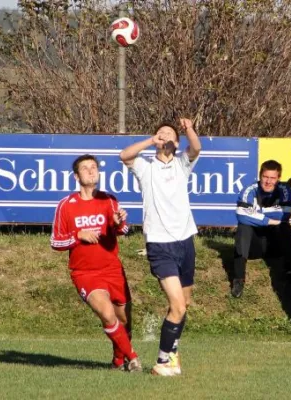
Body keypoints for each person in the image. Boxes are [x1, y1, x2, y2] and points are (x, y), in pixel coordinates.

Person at [120, 118, 201, 377]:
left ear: (176, 143)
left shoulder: (181, 163)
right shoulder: (146, 167)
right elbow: (125, 155)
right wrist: (149, 140)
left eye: (169, 134)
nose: (163, 136)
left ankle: (171, 355)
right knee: (177, 305)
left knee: (183, 305)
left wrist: (187, 129)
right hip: (159, 244)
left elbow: (196, 148)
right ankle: (164, 362)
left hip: (185, 241)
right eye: (159, 133)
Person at [50, 154, 141, 372]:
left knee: (123, 320)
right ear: (76, 175)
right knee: (107, 314)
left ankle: (118, 361)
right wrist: (77, 234)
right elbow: (55, 241)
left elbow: (123, 229)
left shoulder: (109, 200)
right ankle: (134, 358)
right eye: (85, 168)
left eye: (94, 167)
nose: (91, 171)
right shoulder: (66, 205)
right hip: (85, 272)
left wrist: (118, 223)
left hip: (112, 269)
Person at [231, 159, 291, 298]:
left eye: (272, 178)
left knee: (284, 227)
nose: (268, 181)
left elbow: (285, 214)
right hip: (253, 245)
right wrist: (269, 219)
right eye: (265, 177)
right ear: (260, 176)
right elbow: (241, 215)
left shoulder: (285, 189)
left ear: (278, 178)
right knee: (244, 227)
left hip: (275, 244)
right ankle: (238, 279)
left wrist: (256, 213)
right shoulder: (249, 189)